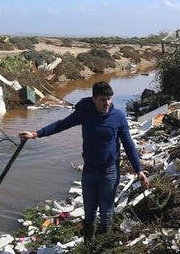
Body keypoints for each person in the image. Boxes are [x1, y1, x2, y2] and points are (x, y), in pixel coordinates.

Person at [20, 81, 150, 242]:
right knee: (89, 213)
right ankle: (89, 246)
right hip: (89, 172)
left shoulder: (118, 117)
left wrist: (139, 170)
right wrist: (35, 134)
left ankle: (101, 248)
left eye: (109, 99)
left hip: (109, 172)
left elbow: (128, 144)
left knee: (106, 212)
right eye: (103, 99)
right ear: (94, 99)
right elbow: (62, 125)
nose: (107, 103)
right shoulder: (85, 113)